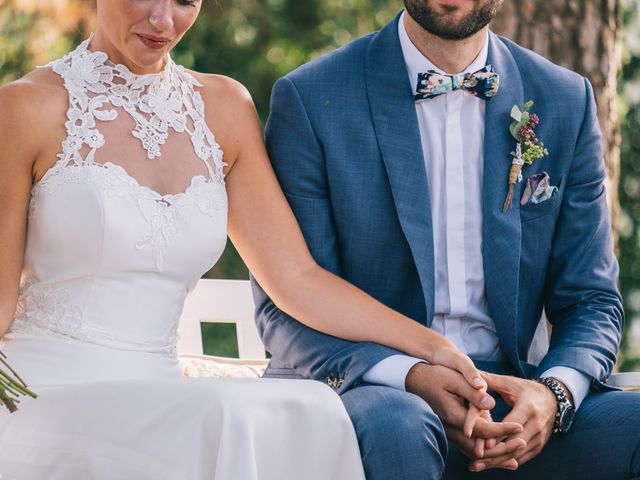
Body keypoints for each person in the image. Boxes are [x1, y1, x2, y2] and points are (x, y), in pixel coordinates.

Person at [0, 0, 502, 478]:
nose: (162, 20)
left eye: (185, 2)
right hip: (43, 393)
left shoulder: (223, 108)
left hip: (163, 396)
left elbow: (296, 279)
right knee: (223, 415)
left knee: (315, 411)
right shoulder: (24, 109)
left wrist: (432, 347)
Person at [253, 0, 640, 479]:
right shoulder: (311, 98)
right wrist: (411, 375)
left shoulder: (565, 99)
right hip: (376, 389)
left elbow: (593, 299)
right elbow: (282, 305)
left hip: (513, 397)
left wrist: (552, 394)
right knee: (402, 425)